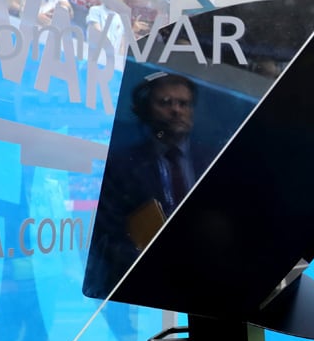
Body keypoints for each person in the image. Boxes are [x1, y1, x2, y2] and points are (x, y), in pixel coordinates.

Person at [83, 72, 215, 306]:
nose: (176, 110)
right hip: (145, 286)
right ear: (144, 110)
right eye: (165, 103)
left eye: (183, 104)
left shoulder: (212, 160)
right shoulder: (122, 165)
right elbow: (110, 233)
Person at [85, 0, 132, 67]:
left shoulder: (121, 19)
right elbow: (98, 34)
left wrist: (118, 62)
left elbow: (122, 45)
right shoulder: (95, 10)